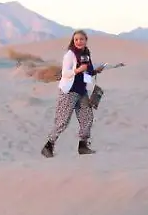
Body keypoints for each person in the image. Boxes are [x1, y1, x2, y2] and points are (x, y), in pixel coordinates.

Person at [41, 29, 106, 157]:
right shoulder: (70, 55)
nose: (79, 41)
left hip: (82, 91)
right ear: (73, 41)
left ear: (86, 40)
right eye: (76, 39)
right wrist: (77, 70)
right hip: (68, 92)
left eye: (81, 39)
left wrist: (94, 71)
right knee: (63, 120)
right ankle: (48, 145)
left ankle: (83, 146)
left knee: (87, 117)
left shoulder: (86, 54)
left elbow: (86, 72)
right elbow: (65, 73)